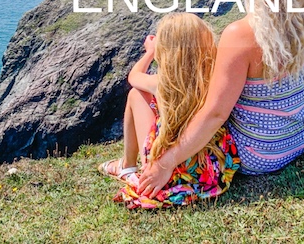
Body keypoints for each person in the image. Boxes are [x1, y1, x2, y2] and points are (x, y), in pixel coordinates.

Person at [137, 0, 304, 198]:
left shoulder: (240, 34)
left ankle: (139, 167)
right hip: (299, 138)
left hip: (258, 155)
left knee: (148, 97)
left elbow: (215, 114)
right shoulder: (301, 17)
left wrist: (166, 163)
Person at [98, 12, 240, 209]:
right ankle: (127, 165)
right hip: (209, 170)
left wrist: (149, 52)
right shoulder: (215, 79)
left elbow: (134, 77)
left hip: (167, 171)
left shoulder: (162, 83)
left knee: (135, 95)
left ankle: (127, 165)